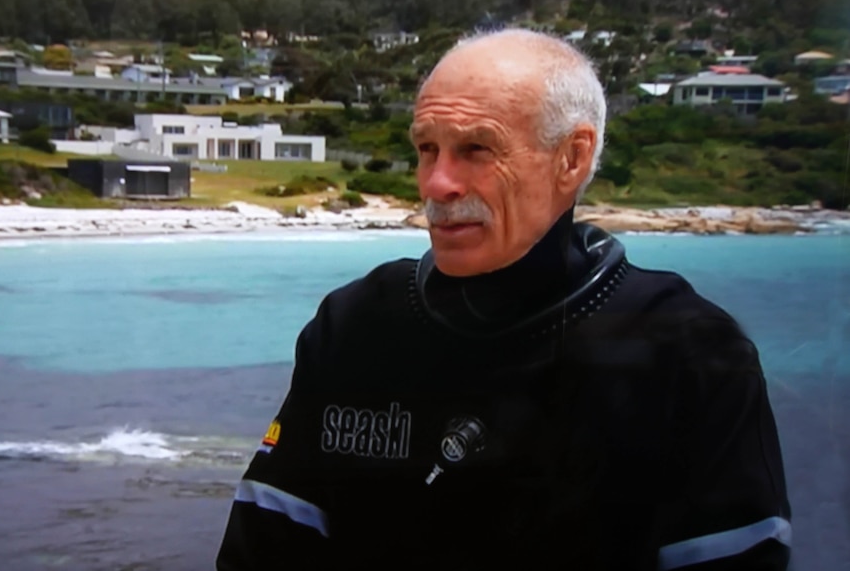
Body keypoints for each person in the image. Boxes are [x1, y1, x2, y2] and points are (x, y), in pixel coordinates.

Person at [216, 28, 791, 570]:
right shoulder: (356, 326)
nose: (437, 184)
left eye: (475, 149)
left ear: (572, 158)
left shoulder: (689, 352)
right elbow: (263, 547)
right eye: (426, 148)